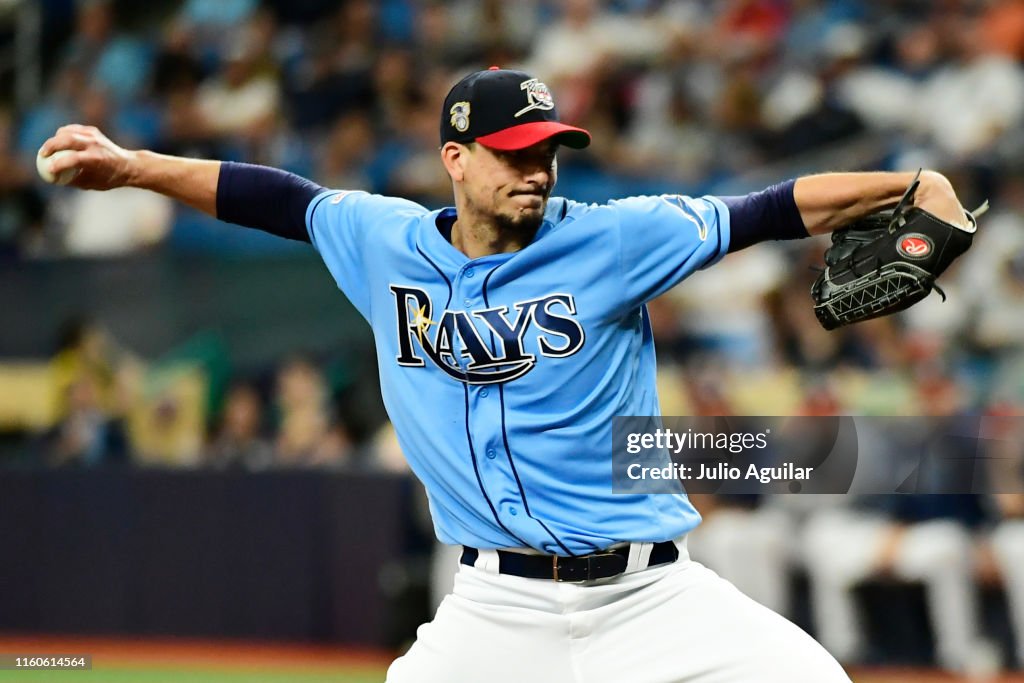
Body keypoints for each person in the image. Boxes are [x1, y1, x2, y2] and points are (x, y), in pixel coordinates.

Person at [40, 66, 974, 682]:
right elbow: (276, 198)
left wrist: (906, 188)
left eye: (550, 153)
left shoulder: (616, 236)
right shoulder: (383, 243)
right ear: (456, 158)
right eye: (516, 155)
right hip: (494, 607)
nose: (539, 171)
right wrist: (134, 168)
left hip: (651, 597)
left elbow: (766, 208)